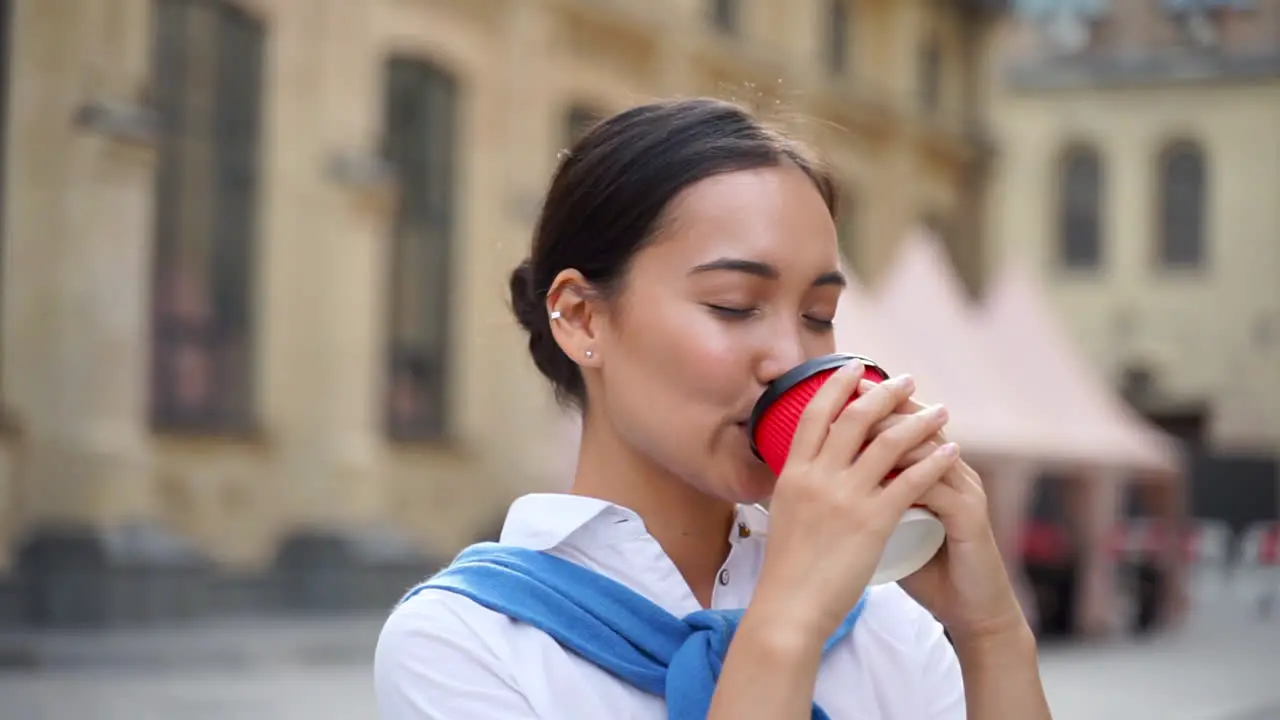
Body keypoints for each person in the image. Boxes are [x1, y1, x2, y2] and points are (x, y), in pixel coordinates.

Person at [374, 97, 1052, 719]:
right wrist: (786, 626)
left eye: (820, 314)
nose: (791, 357)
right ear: (581, 319)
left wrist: (990, 634)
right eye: (733, 305)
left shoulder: (885, 624)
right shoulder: (465, 641)